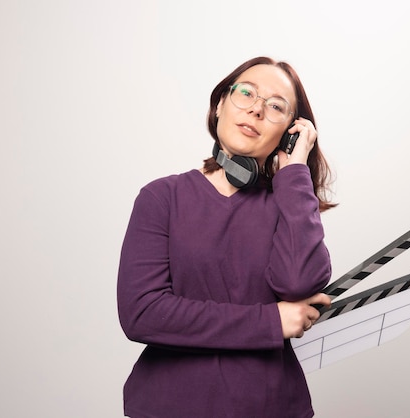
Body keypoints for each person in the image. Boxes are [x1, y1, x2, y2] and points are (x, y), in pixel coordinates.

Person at [117, 56, 337, 418]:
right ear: (220, 104)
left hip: (272, 407)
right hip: (168, 407)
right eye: (246, 93)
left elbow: (298, 283)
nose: (255, 110)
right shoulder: (162, 197)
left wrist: (295, 173)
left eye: (276, 106)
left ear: (289, 133)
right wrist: (270, 322)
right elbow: (142, 313)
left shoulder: (289, 205)